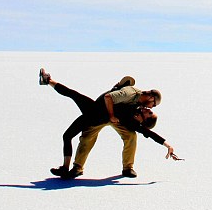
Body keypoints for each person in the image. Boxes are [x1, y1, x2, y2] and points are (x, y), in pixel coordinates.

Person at [39, 68, 180, 179]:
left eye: (151, 111)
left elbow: (147, 132)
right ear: (150, 97)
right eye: (152, 106)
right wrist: (112, 114)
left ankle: (128, 168)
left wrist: (166, 144)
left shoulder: (134, 117)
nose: (150, 108)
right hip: (101, 113)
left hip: (113, 118)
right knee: (86, 137)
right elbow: (109, 97)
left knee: (131, 136)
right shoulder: (130, 94)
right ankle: (76, 168)